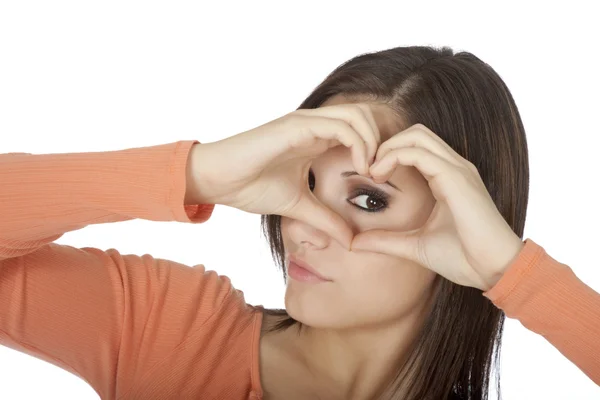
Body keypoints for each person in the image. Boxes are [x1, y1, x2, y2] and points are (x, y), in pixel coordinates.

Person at [0, 46, 598, 400]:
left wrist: (513, 273)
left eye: (367, 200)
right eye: (307, 183)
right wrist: (196, 173)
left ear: (463, 220)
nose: (304, 227)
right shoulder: (168, 330)